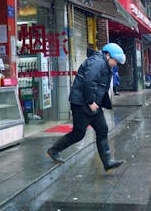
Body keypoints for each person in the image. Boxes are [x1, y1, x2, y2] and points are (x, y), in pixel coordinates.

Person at [47, 43, 126, 172]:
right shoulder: (97, 62)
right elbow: (89, 82)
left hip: (92, 103)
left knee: (102, 129)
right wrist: (90, 102)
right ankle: (53, 150)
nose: (115, 64)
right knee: (78, 133)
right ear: (107, 55)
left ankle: (108, 162)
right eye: (115, 61)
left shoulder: (103, 63)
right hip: (82, 103)